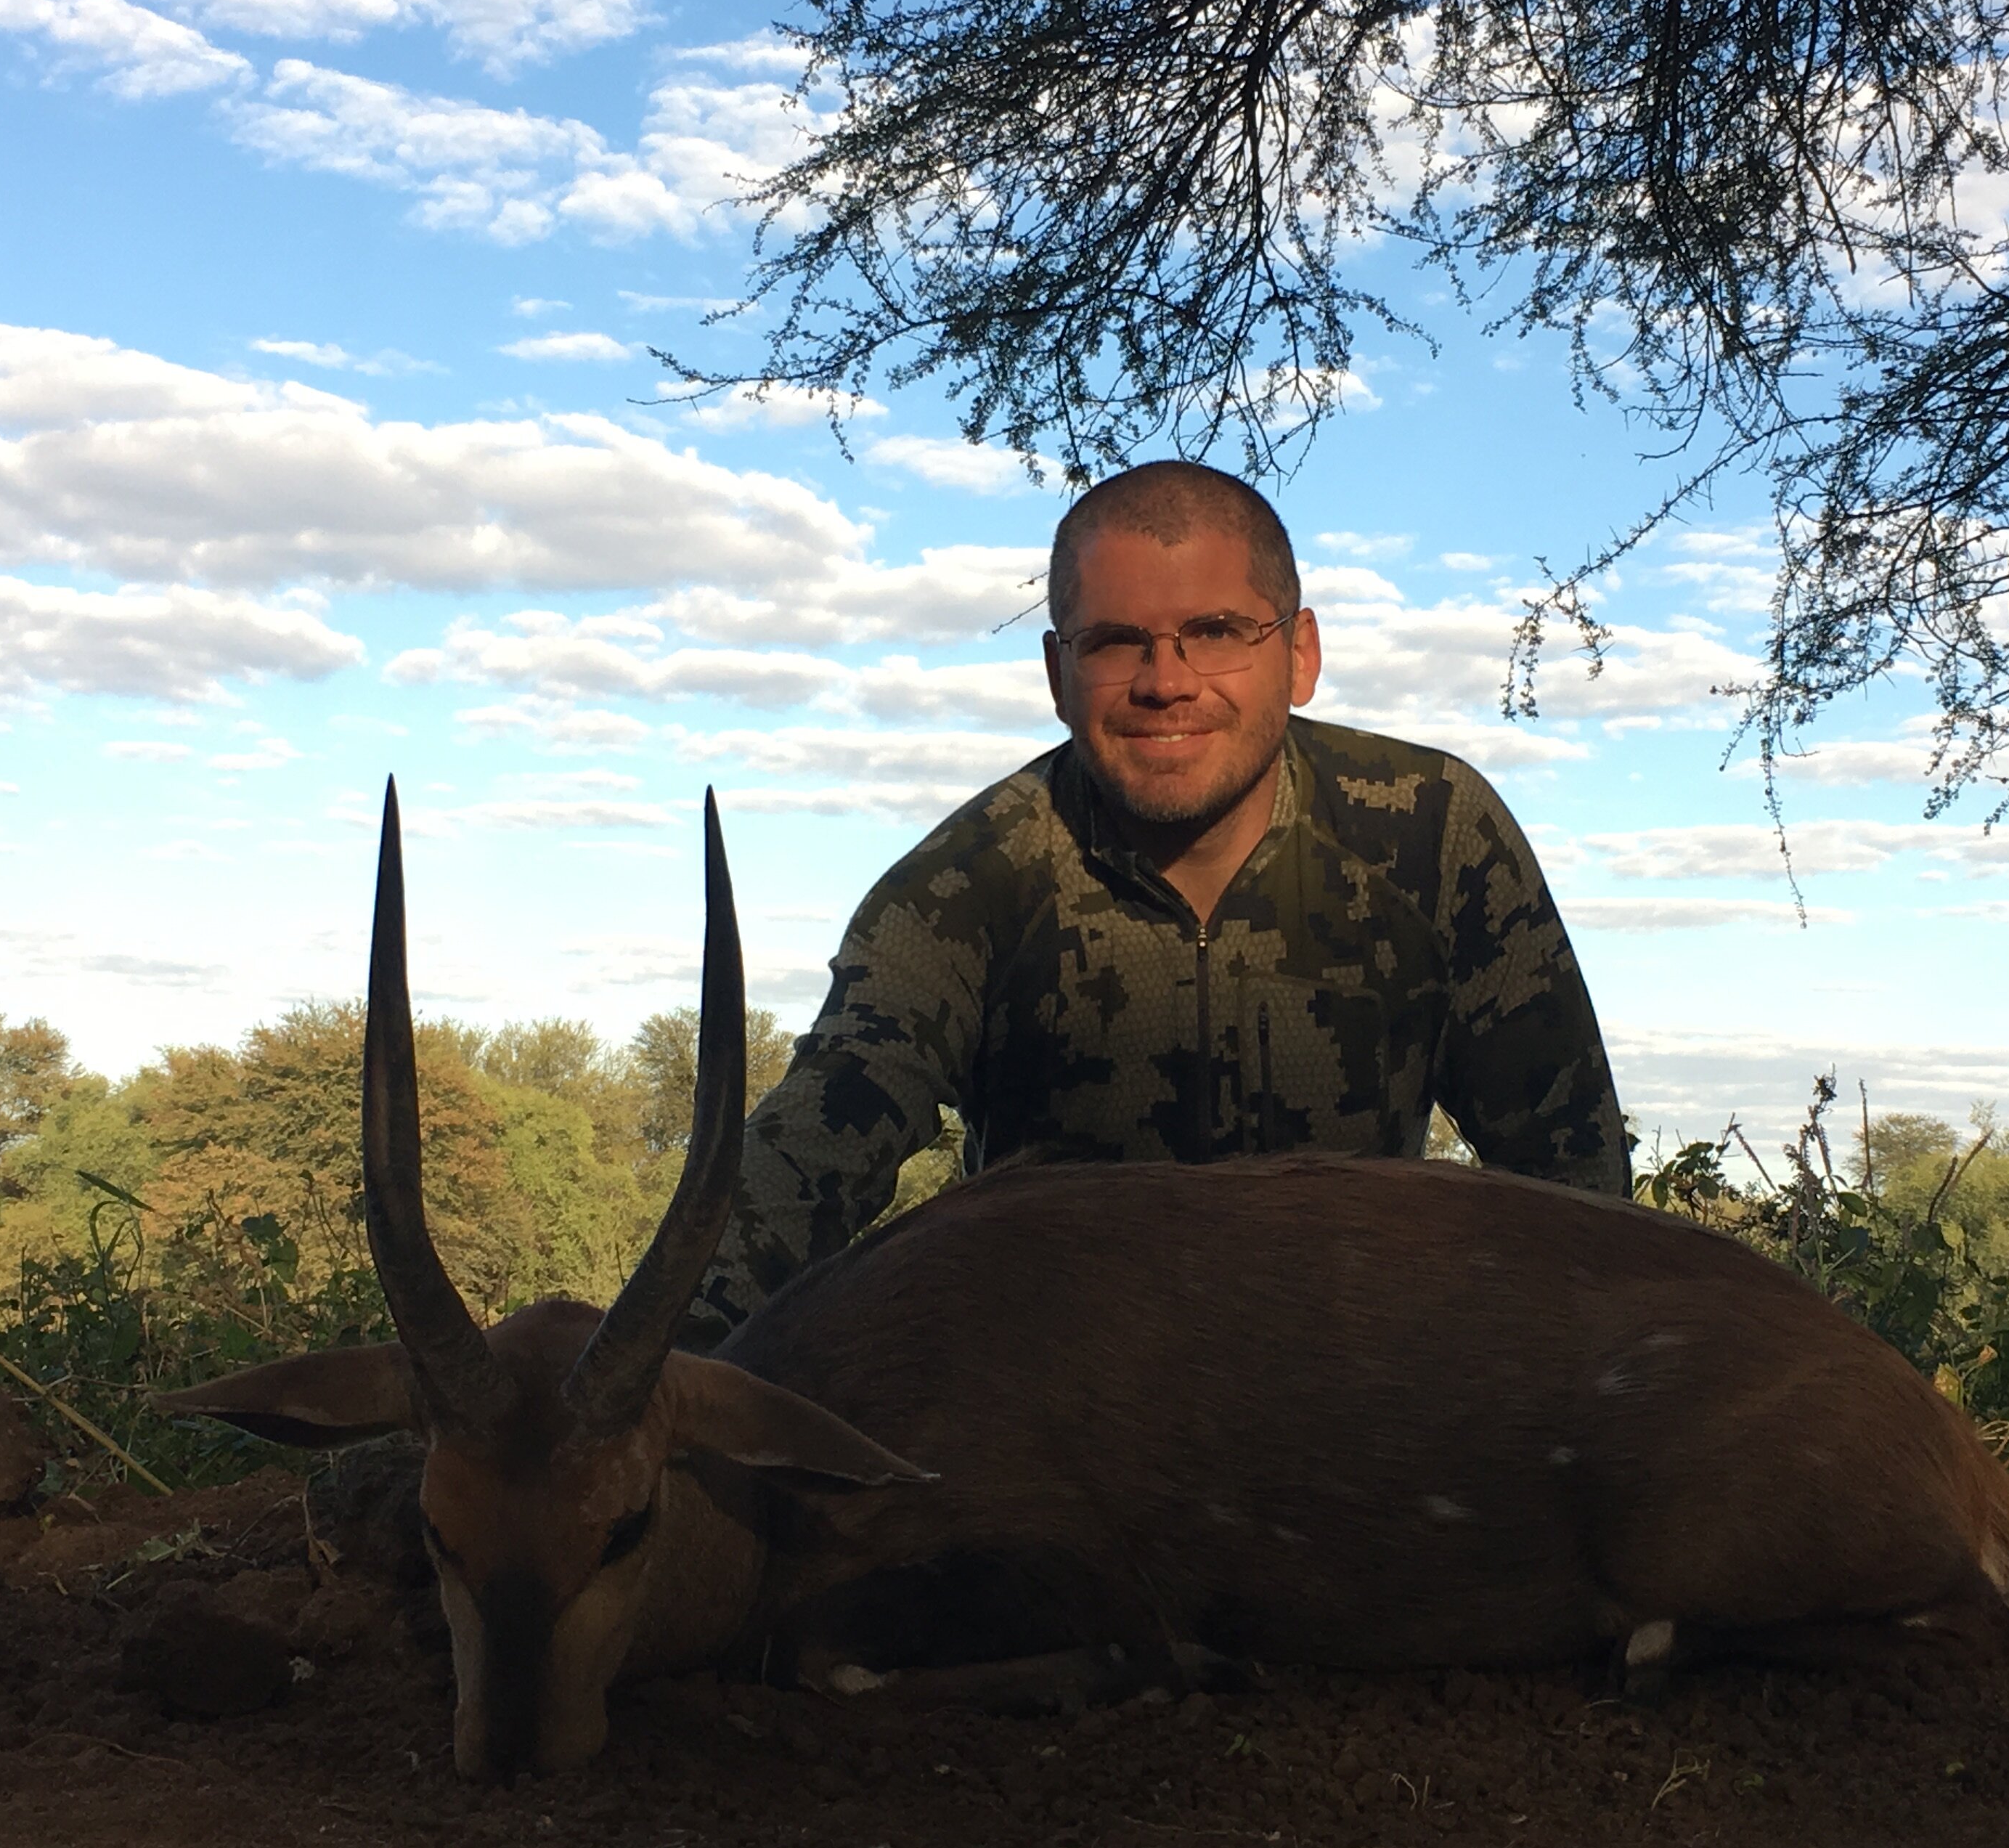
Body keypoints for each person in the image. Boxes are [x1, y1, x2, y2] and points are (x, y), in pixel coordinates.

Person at [693, 460, 1632, 1332]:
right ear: (1060, 676)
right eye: (1115, 643)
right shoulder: (965, 884)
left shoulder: (1433, 830)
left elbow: (1578, 1201)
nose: (1166, 683)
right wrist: (665, 1357)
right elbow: (805, 1158)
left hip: (1372, 1413)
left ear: (1299, 653)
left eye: (1217, 633)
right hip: (1055, 1436)